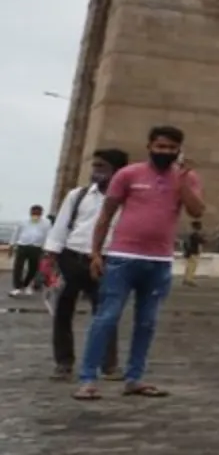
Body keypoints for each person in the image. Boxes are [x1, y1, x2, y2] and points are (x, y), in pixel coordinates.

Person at [76, 127, 205, 402]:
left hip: (159, 261)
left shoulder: (186, 178)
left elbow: (197, 211)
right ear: (149, 146)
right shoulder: (128, 174)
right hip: (123, 257)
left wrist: (182, 180)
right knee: (107, 317)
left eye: (171, 148)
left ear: (179, 150)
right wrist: (96, 253)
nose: (165, 152)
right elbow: (105, 215)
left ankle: (134, 378)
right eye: (161, 147)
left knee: (147, 322)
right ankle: (87, 379)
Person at [42, 150, 127, 379]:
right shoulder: (78, 195)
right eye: (95, 166)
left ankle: (108, 364)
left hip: (106, 261)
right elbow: (60, 227)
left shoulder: (126, 201)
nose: (96, 172)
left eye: (102, 167)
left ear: (117, 172)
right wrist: (50, 258)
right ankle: (64, 363)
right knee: (62, 312)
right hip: (71, 257)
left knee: (106, 314)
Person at [8, 204, 46, 295]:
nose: (36, 216)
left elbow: (48, 236)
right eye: (34, 213)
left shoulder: (46, 223)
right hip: (23, 246)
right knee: (18, 268)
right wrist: (11, 245)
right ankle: (17, 287)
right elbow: (16, 233)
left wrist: (47, 249)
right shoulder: (23, 221)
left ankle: (26, 285)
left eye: (38, 214)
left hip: (36, 248)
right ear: (30, 213)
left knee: (33, 268)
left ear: (41, 214)